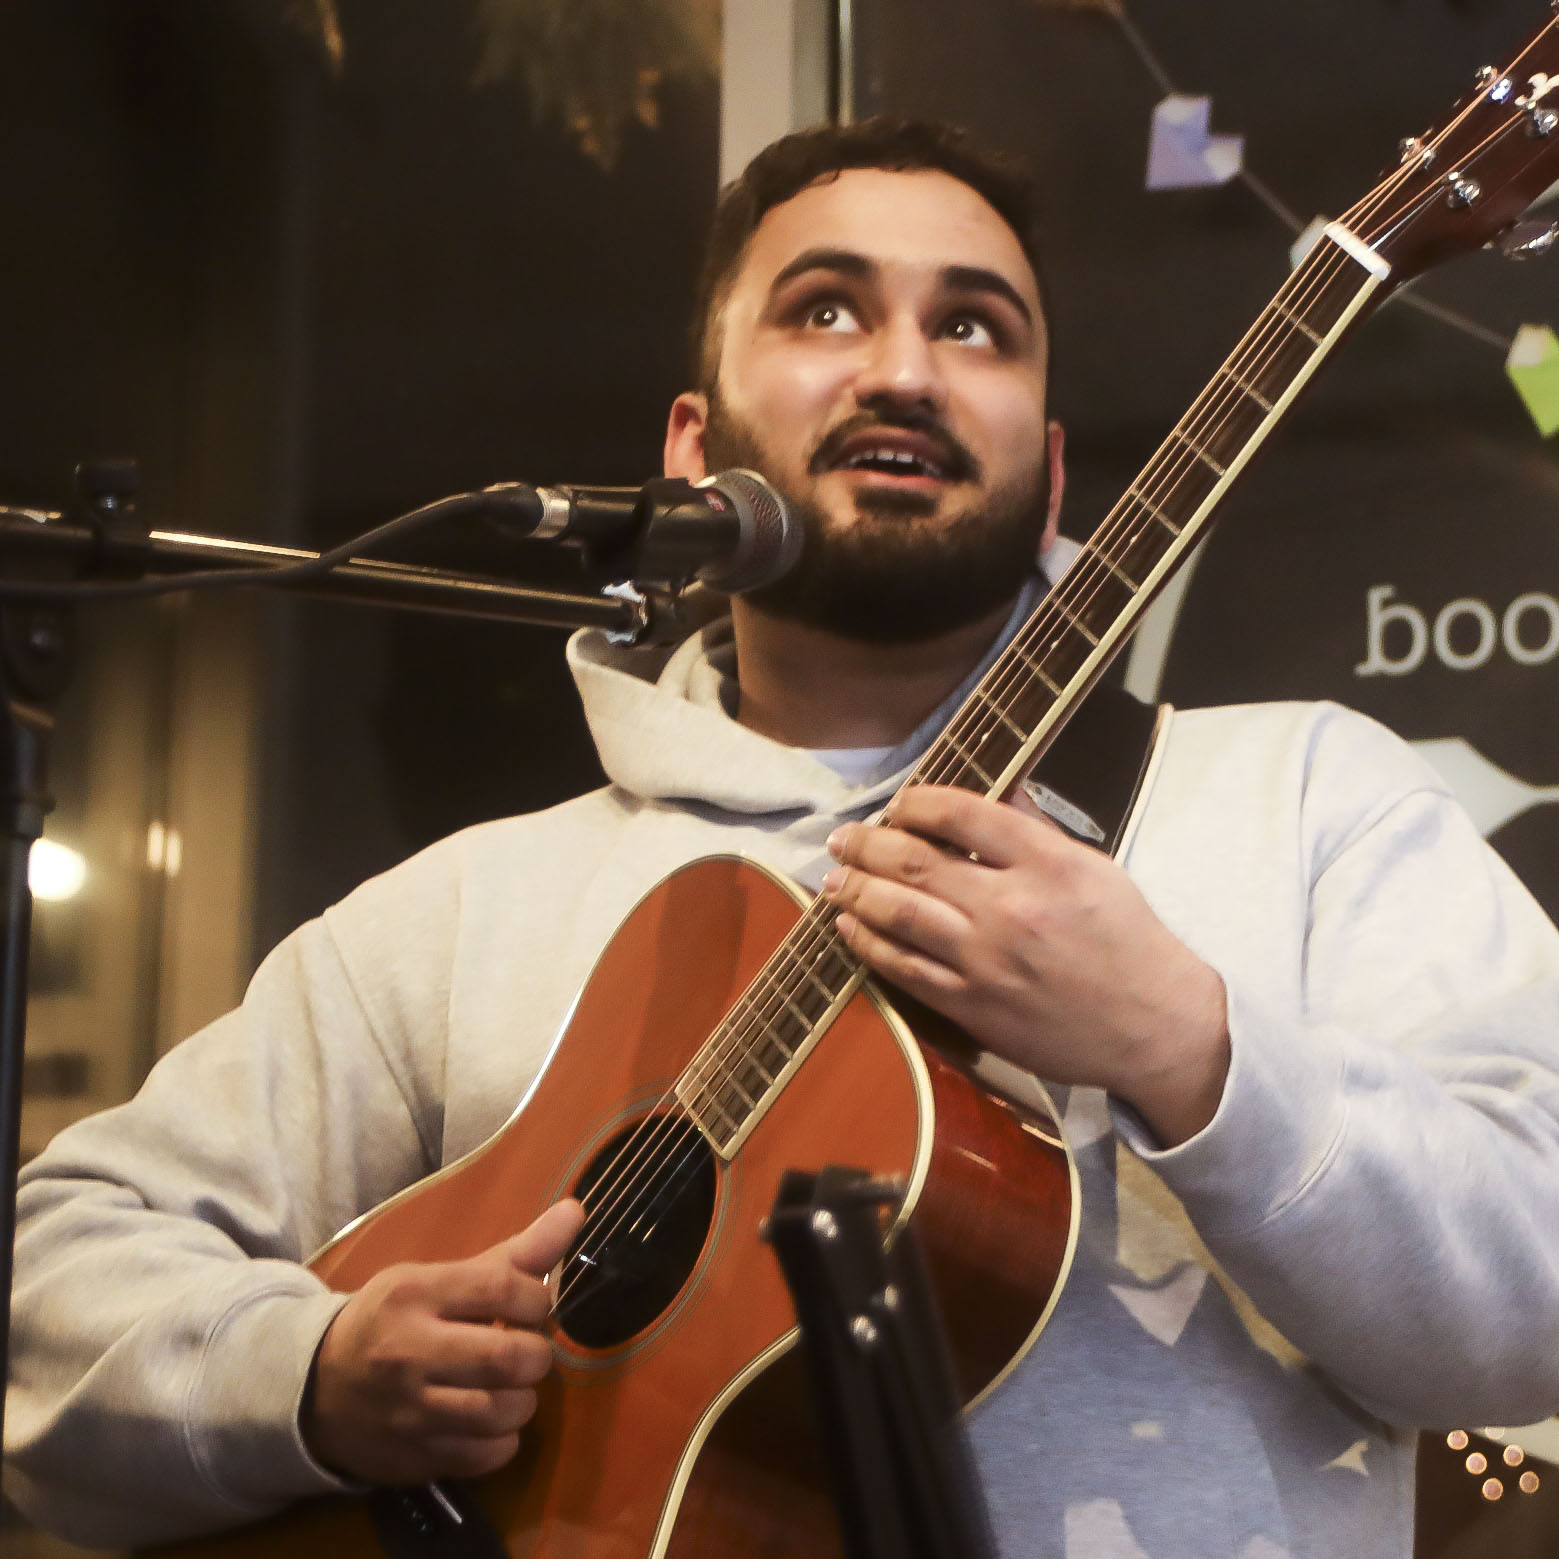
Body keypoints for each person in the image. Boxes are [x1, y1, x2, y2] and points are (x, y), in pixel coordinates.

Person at [8, 117, 1559, 1559]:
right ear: (694, 447)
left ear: (1052, 472)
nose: (904, 370)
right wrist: (312, 1373)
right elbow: (51, 1274)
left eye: (974, 327)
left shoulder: (1306, 800)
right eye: (826, 310)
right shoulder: (465, 914)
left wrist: (1189, 1045)